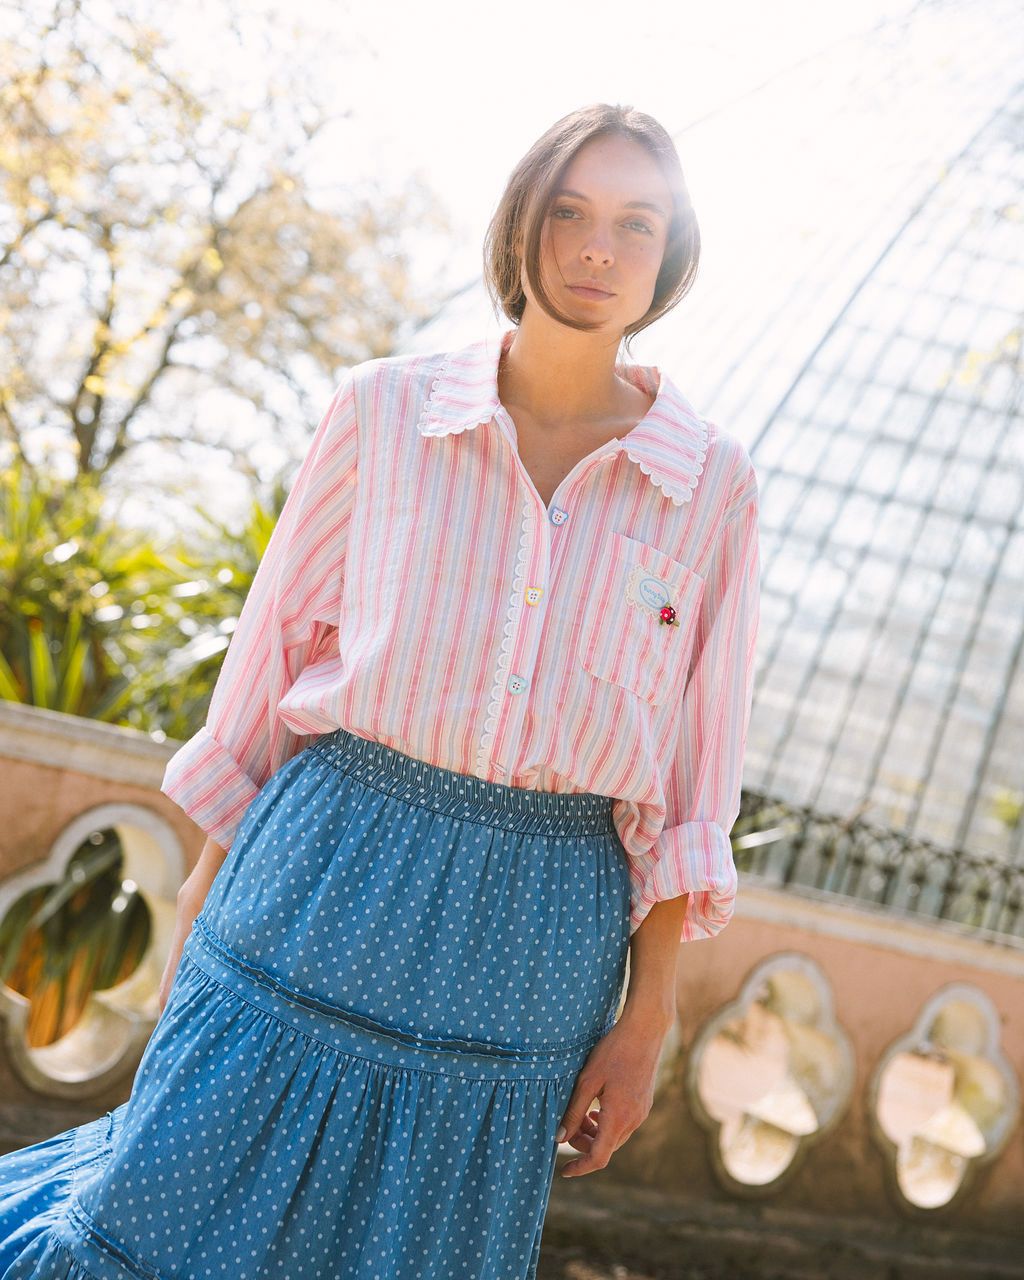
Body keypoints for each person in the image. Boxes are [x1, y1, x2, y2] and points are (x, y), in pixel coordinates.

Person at [0, 102, 760, 1280]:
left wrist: (647, 1013)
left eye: (634, 222)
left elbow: (692, 770)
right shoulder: (383, 411)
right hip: (322, 872)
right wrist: (203, 890)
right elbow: (268, 662)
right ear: (523, 225)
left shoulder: (708, 485)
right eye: (569, 212)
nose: (597, 247)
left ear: (673, 252)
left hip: (536, 931)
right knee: (156, 1219)